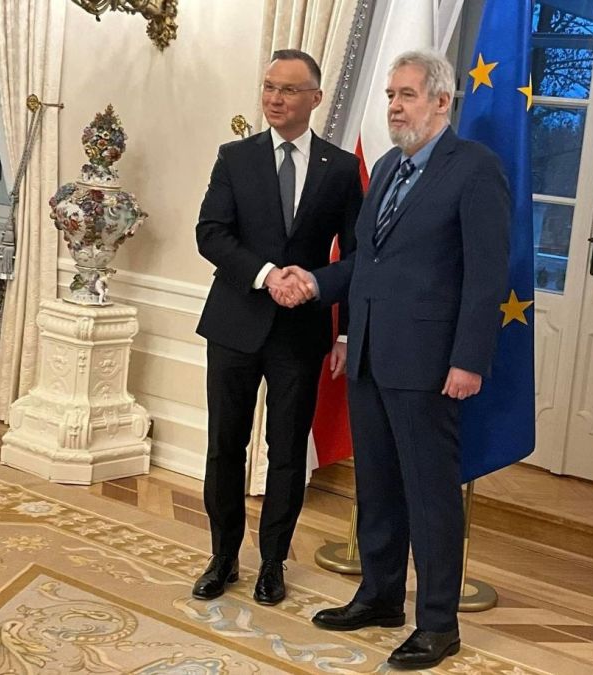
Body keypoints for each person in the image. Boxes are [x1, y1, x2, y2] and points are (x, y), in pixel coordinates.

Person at [273, 49, 509, 670]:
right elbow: (366, 263)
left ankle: (438, 624)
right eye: (390, 96)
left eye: (407, 95)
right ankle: (380, 597)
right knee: (376, 485)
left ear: (441, 101)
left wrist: (469, 360)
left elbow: (487, 276)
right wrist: (316, 283)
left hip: (431, 365)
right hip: (371, 357)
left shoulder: (475, 169)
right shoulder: (384, 166)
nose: (395, 107)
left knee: (430, 496)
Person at [192, 49, 362, 606]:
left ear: (315, 98)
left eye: (288, 90)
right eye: (269, 87)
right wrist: (268, 276)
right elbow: (211, 234)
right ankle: (222, 557)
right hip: (235, 324)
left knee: (287, 452)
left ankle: (272, 563)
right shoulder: (234, 157)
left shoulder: (340, 169)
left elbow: (356, 257)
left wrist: (339, 325)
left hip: (301, 333)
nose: (275, 98)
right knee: (225, 446)